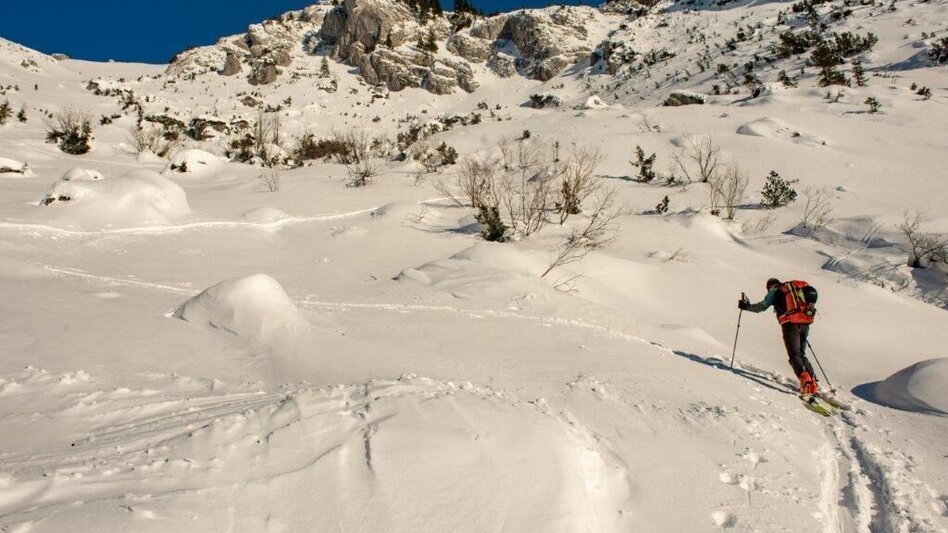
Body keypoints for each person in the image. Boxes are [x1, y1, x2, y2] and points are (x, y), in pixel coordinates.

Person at [739, 278, 819, 396]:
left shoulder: (775, 291)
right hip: (805, 323)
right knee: (801, 354)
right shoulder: (793, 289)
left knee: (794, 355)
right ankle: (813, 382)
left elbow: (762, 306)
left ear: (769, 286)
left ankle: (805, 382)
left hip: (790, 325)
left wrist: (746, 306)